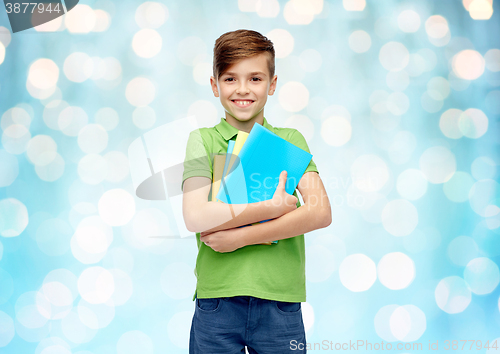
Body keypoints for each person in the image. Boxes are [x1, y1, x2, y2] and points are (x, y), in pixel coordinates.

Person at [182, 29, 331, 354]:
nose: (243, 90)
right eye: (231, 79)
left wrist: (238, 237)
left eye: (255, 78)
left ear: (273, 84)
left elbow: (320, 211)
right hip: (217, 301)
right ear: (214, 85)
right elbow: (195, 216)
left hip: (280, 302)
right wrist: (272, 207)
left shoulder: (289, 140)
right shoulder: (204, 141)